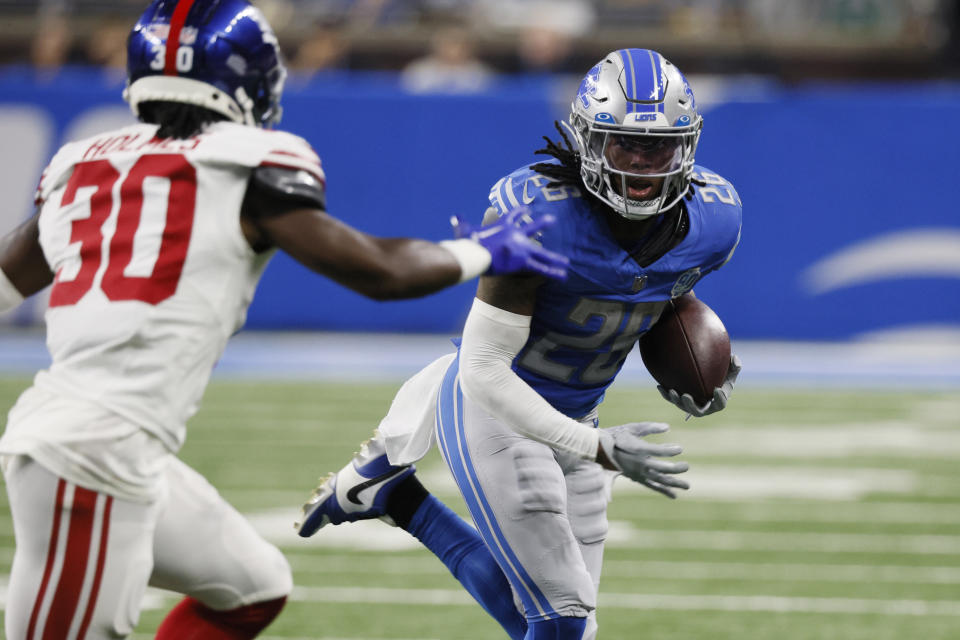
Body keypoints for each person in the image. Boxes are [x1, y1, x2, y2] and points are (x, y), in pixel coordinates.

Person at [0, 1, 568, 638]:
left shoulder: (85, 164)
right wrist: (485, 250)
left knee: (251, 586)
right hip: (92, 457)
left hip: (113, 448)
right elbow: (379, 271)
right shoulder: (245, 162)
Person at [297, 48, 743, 640]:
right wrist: (597, 447)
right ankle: (400, 500)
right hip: (494, 408)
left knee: (568, 628)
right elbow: (482, 367)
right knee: (561, 617)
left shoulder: (716, 221)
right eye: (623, 146)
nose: (641, 167)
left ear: (686, 145)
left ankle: (399, 499)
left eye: (657, 147)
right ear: (587, 139)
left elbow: (657, 300)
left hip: (579, 410)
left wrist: (695, 367)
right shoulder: (538, 216)